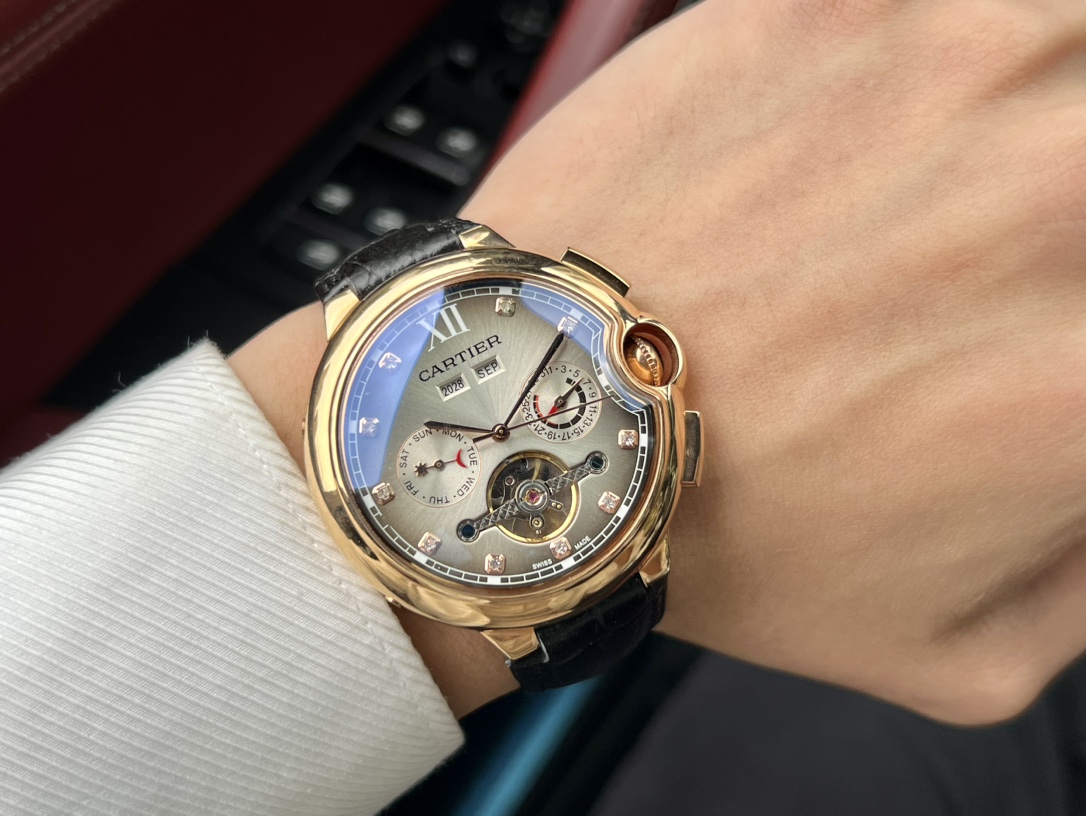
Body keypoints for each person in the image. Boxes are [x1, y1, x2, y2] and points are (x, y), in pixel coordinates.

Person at [4, 0, 1086, 812]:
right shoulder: (376, 490)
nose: (497, 439)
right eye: (456, 448)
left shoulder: (536, 357)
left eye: (525, 406)